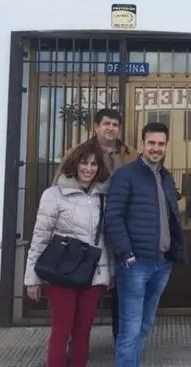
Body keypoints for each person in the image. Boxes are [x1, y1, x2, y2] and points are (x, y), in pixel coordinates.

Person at [24, 141, 113, 367]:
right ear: (74, 164)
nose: (88, 169)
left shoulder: (104, 196)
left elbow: (107, 239)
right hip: (61, 272)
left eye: (93, 164)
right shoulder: (54, 195)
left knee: (83, 330)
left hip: (92, 274)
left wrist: (109, 272)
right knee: (61, 329)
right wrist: (32, 279)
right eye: (84, 163)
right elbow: (40, 236)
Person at [104, 122, 186, 367]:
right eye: (151, 143)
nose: (156, 148)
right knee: (130, 326)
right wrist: (126, 253)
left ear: (166, 146)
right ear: (142, 144)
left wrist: (175, 252)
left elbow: (172, 218)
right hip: (135, 264)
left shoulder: (166, 177)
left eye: (161, 144)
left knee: (144, 324)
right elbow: (113, 217)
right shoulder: (125, 175)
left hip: (162, 263)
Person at [57, 107, 137, 340]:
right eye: (106, 124)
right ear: (96, 126)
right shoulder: (78, 152)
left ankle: (121, 343)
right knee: (80, 290)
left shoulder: (131, 155)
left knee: (122, 291)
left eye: (115, 124)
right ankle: (73, 344)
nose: (110, 128)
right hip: (85, 231)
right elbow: (59, 189)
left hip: (122, 231)